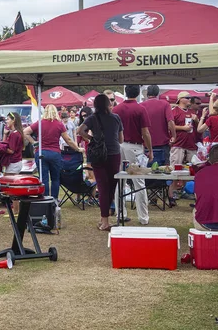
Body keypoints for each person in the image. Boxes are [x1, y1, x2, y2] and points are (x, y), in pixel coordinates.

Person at [77, 94, 124, 231]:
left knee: (102, 188)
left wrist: (91, 138)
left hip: (98, 155)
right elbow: (121, 139)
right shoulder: (116, 118)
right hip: (114, 154)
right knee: (111, 187)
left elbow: (80, 131)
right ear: (108, 104)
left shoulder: (92, 118)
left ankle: (104, 220)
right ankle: (106, 216)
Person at [23, 104, 83, 201]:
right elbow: (68, 139)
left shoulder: (40, 123)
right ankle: (54, 199)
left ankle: (45, 199)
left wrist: (34, 143)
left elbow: (25, 132)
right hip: (55, 153)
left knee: (44, 179)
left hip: (41, 152)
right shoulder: (59, 124)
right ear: (56, 112)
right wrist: (77, 149)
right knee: (55, 178)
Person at [113, 84, 153, 226]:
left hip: (118, 146)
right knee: (139, 182)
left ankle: (121, 213)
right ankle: (143, 217)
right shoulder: (140, 109)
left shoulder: (116, 109)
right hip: (135, 146)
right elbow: (145, 132)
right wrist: (150, 149)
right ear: (137, 93)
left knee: (119, 181)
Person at [169, 92, 199, 199]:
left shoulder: (192, 112)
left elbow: (199, 128)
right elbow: (170, 126)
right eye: (187, 98)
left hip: (190, 144)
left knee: (192, 170)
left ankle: (183, 190)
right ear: (181, 99)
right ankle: (171, 194)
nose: (190, 100)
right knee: (175, 169)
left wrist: (197, 120)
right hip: (178, 143)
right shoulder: (174, 111)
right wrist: (183, 128)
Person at [141, 85, 175, 165]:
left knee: (147, 171)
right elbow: (170, 122)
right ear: (157, 93)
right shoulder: (165, 104)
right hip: (163, 144)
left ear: (147, 93)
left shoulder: (141, 105)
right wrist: (174, 136)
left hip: (146, 144)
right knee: (163, 171)